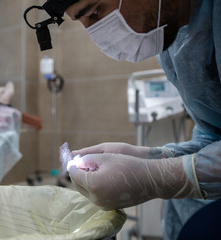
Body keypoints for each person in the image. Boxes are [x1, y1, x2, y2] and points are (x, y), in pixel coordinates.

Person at [63, 0, 221, 239]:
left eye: (96, 11)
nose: (100, 36)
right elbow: (213, 136)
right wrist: (153, 157)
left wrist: (153, 177)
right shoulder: (172, 40)